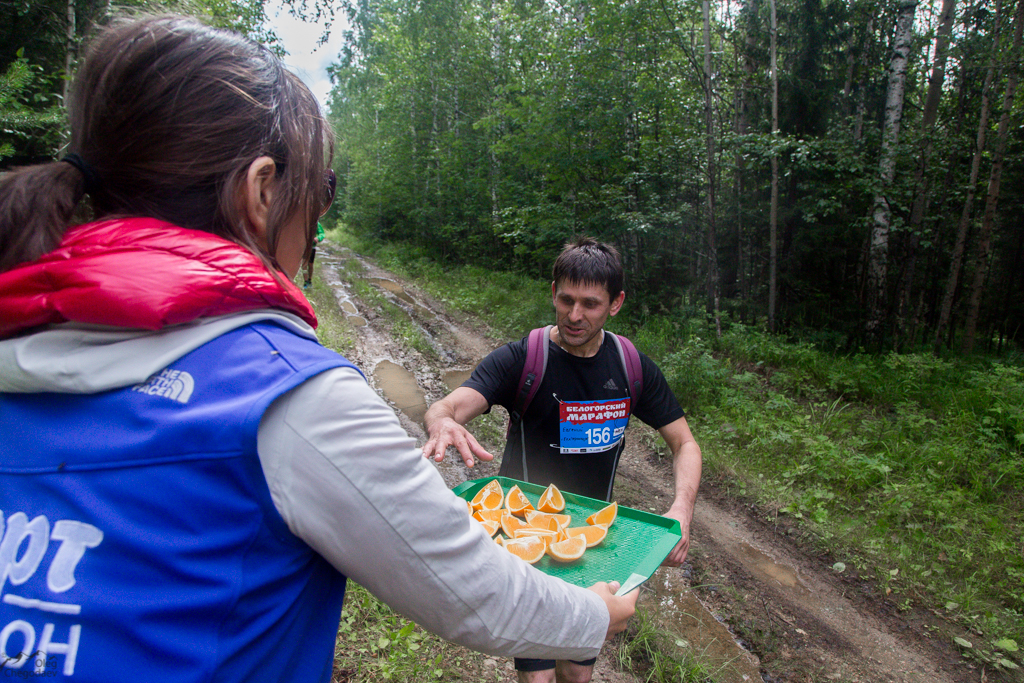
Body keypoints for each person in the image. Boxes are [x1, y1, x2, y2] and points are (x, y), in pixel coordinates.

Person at [0, 17, 637, 682]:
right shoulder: (289, 393)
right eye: (320, 194)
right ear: (263, 190)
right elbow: (470, 588)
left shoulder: (17, 330)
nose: (319, 228)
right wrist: (594, 616)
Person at [423, 237, 702, 683]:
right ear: (553, 291)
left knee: (577, 672)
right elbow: (449, 406)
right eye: (566, 300)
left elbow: (685, 443)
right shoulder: (522, 360)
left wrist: (681, 510)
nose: (575, 315)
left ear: (616, 304)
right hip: (526, 547)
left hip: (592, 548)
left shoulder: (631, 367)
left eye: (591, 304)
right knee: (538, 678)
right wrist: (441, 422)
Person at [302, 220, 326, 289]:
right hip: (303, 247)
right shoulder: (302, 222)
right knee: (304, 264)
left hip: (312, 247)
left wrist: (318, 238)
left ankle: (309, 280)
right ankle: (305, 281)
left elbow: (322, 233)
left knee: (310, 264)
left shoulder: (316, 223)